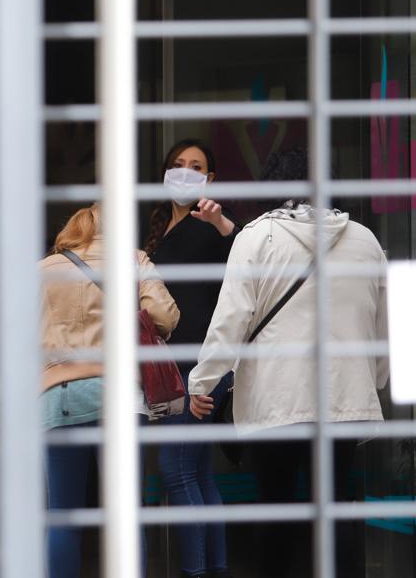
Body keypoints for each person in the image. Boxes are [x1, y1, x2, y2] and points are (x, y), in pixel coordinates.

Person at [188, 148, 390, 578]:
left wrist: (201, 382)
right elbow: (382, 324)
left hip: (276, 399)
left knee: (275, 506)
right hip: (344, 398)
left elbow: (231, 320)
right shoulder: (365, 240)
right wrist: (374, 380)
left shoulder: (257, 238)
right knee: (335, 507)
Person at [39, 203, 180, 578]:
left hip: (60, 395)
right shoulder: (133, 260)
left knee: (63, 515)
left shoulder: (44, 269)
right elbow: (165, 316)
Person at [143, 139, 238, 578]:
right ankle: (213, 568)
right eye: (177, 165)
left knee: (174, 468)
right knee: (198, 472)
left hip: (200, 367)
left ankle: (195, 572)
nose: (184, 171)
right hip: (172, 366)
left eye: (195, 166)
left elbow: (240, 258)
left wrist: (221, 223)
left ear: (210, 179)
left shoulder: (209, 226)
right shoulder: (160, 230)